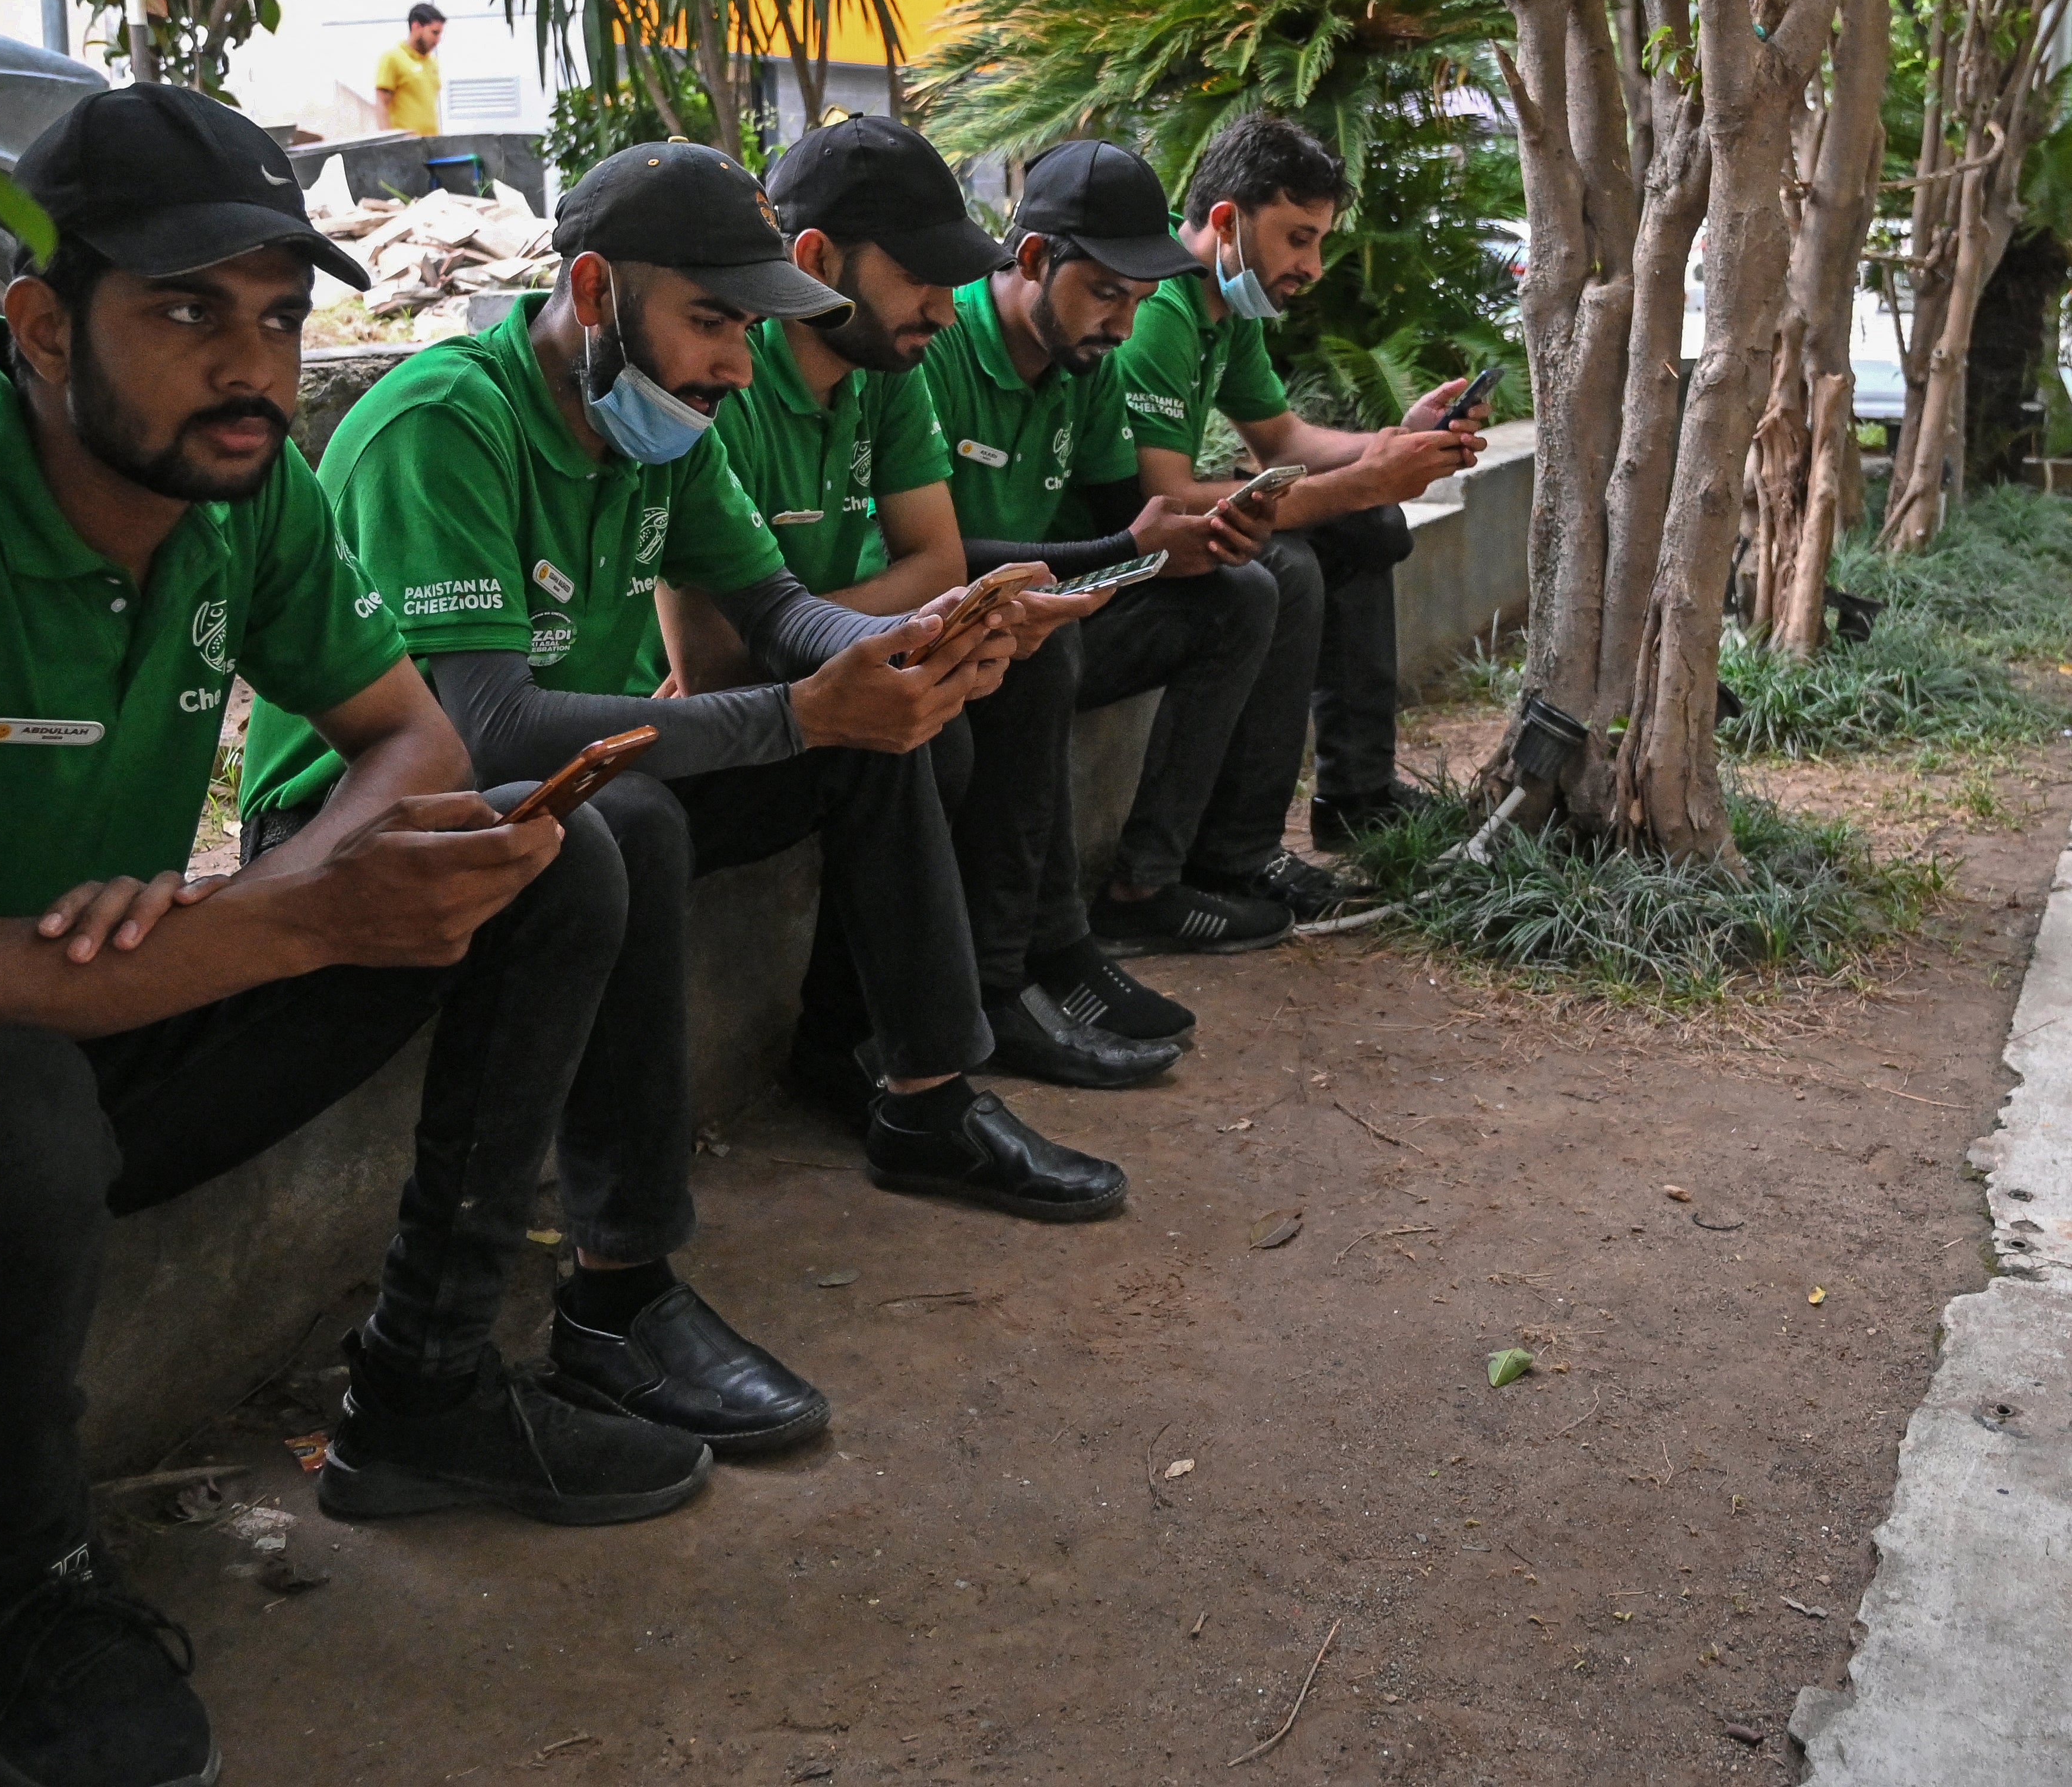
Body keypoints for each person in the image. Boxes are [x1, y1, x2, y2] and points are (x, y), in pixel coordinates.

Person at [0, 84, 692, 1787]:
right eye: (187, 313)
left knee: (536, 860)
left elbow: (410, 744)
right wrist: (275, 922)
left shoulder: (244, 498)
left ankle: (419, 1387)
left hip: (80, 1045)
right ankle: (27, 1595)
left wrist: (300, 893)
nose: (252, 367)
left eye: (276, 317)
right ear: (42, 327)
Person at [235, 135, 1134, 1439]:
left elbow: (773, 607)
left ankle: (926, 1095)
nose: (733, 359)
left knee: (874, 736)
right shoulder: (445, 425)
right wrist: (794, 709)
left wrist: (903, 644)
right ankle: (620, 1287)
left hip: (575, 783)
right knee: (637, 817)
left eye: (745, 326)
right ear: (595, 294)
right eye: (710, 319)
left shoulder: (662, 420)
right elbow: (484, 724)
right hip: (359, 815)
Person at [683, 114, 1187, 1093]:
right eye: (920, 275)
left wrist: (920, 614)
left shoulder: (881, 370)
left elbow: (936, 560)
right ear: (815, 256)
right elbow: (714, 659)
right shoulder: (717, 388)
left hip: (789, 676)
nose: (944, 309)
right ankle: (917, 1050)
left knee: (989, 673)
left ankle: (988, 992)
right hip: (686, 719)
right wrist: (897, 619)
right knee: (918, 730)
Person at [928, 140, 1299, 1002]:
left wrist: (1199, 541)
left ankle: (1152, 885)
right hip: (949, 630)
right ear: (1030, 259)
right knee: (1034, 652)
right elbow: (937, 561)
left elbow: (1113, 523)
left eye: (1138, 301)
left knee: (1245, 590)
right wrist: (1131, 552)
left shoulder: (1083, 364)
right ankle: (1042, 956)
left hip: (1043, 615)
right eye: (1105, 293)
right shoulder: (940, 351)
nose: (1124, 327)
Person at [1110, 113, 1484, 856]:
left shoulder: (1226, 305)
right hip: (1126, 545)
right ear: (1226, 221)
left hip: (1170, 525)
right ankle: (1240, 851)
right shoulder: (1156, 310)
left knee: (1370, 525)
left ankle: (1358, 794)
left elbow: (1282, 439)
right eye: (1298, 237)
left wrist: (1395, 444)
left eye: (1319, 241)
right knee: (1288, 564)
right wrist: (1368, 479)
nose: (1312, 267)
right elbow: (1163, 497)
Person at [375, 3, 447, 135]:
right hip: (405, 147)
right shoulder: (393, 58)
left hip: (431, 144)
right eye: (434, 33)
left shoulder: (432, 63)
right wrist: (388, 144)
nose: (438, 40)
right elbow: (381, 104)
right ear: (416, 26)